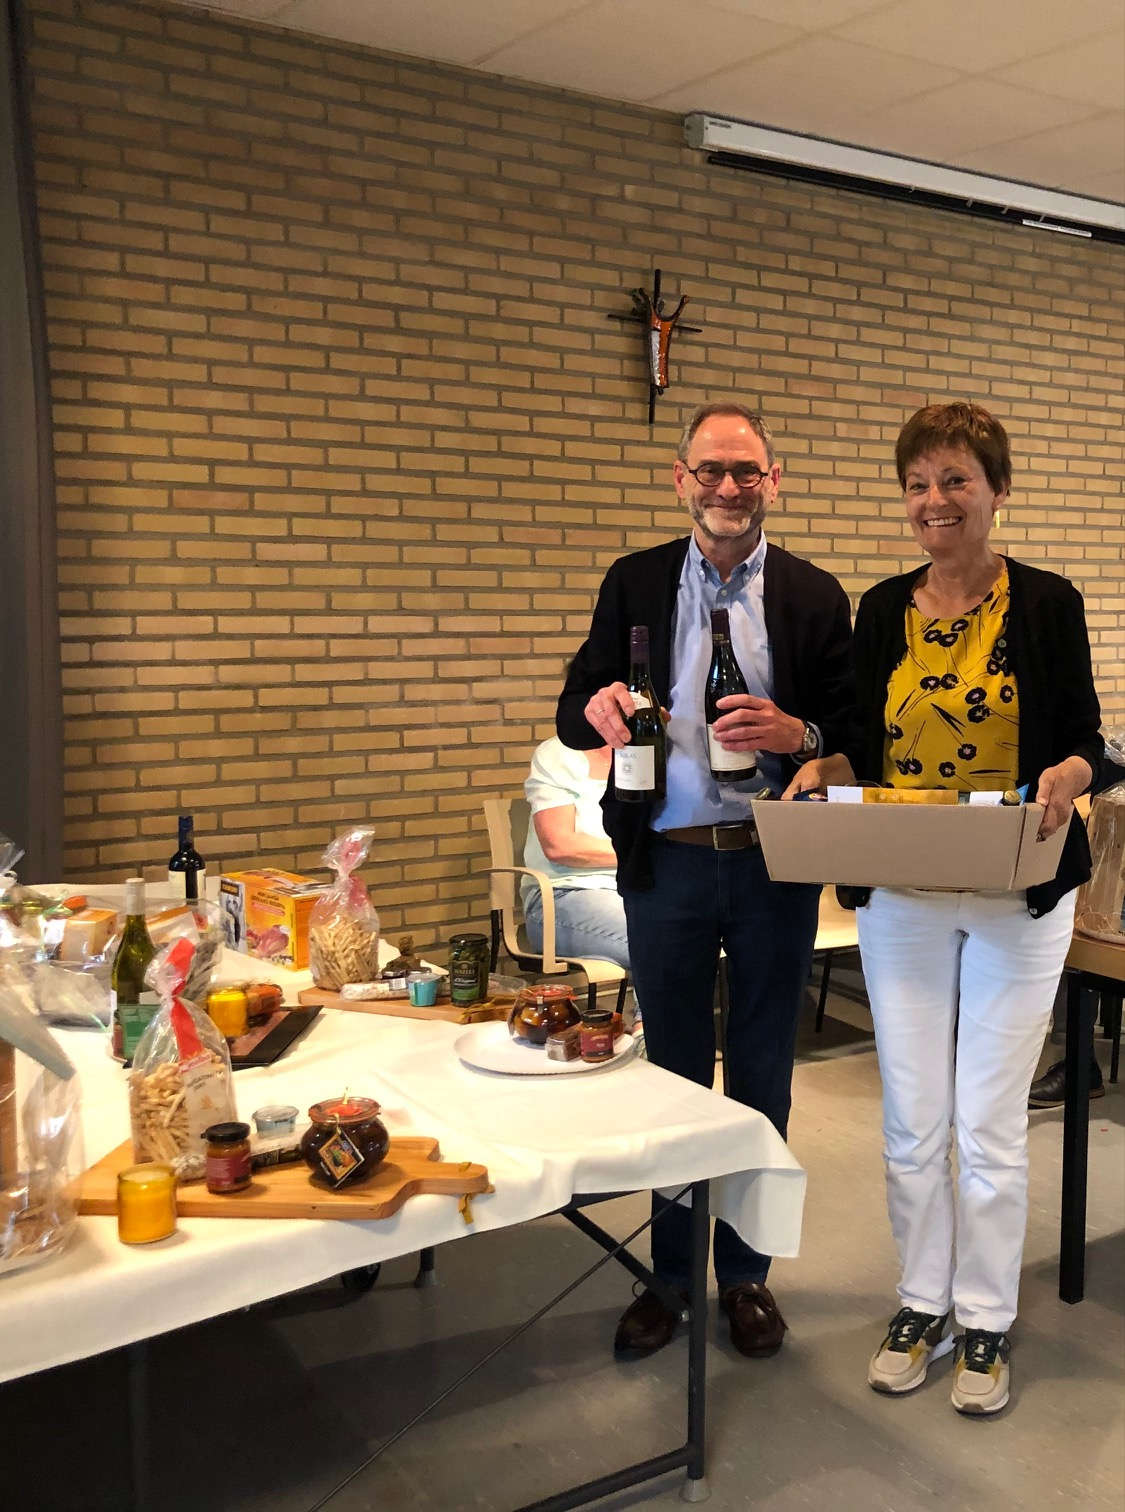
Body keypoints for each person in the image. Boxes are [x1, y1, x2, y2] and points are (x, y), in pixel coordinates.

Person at [788, 402, 1105, 1415]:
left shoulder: (1047, 602)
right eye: (918, 483)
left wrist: (1069, 773)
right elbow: (857, 740)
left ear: (996, 490)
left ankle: (985, 1319)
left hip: (1018, 895)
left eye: (956, 479)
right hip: (905, 899)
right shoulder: (882, 608)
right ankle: (920, 1301)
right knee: (914, 1120)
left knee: (990, 1124)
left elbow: (1089, 738)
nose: (935, 500)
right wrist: (823, 770)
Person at [557, 401, 854, 1361]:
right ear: (680, 478)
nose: (728, 487)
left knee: (762, 1073)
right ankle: (672, 1276)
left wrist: (801, 734)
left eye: (746, 471)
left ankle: (747, 1276)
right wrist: (599, 705)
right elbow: (572, 705)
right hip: (667, 863)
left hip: (774, 864)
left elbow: (854, 729)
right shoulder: (634, 580)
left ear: (774, 481)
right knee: (673, 1077)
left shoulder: (812, 594)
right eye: (711, 470)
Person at [521, 736, 630, 972]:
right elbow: (560, 846)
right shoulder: (559, 753)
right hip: (564, 894)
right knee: (662, 936)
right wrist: (643, 852)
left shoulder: (650, 747)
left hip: (638, 889)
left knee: (696, 927)